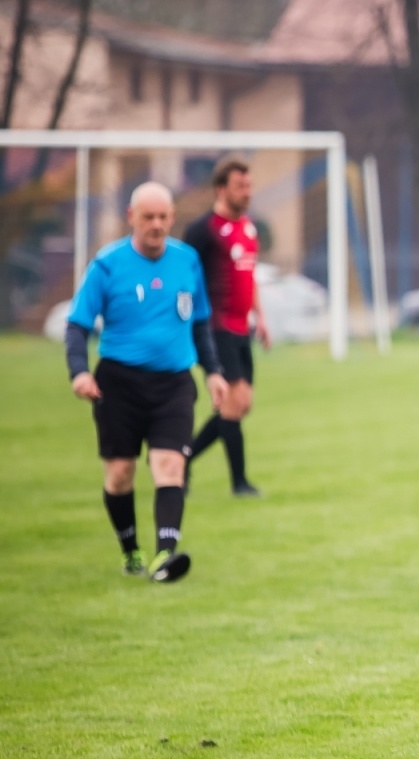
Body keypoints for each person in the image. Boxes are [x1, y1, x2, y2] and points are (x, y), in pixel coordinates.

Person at [65, 182, 227, 583]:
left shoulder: (187, 261)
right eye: (148, 217)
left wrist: (214, 372)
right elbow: (77, 325)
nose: (156, 224)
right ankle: (131, 550)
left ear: (172, 218)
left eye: (163, 217)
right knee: (120, 474)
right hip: (118, 384)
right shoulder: (107, 264)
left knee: (170, 465)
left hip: (173, 384)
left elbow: (200, 323)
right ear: (131, 217)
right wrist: (79, 371)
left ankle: (164, 557)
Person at [183, 157, 269, 497]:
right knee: (234, 402)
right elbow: (183, 275)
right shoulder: (203, 230)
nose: (247, 192)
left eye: (249, 186)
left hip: (241, 328)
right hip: (215, 327)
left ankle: (182, 457)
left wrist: (261, 317)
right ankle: (240, 484)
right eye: (239, 186)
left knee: (240, 405)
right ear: (221, 189)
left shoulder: (248, 227)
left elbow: (250, 276)